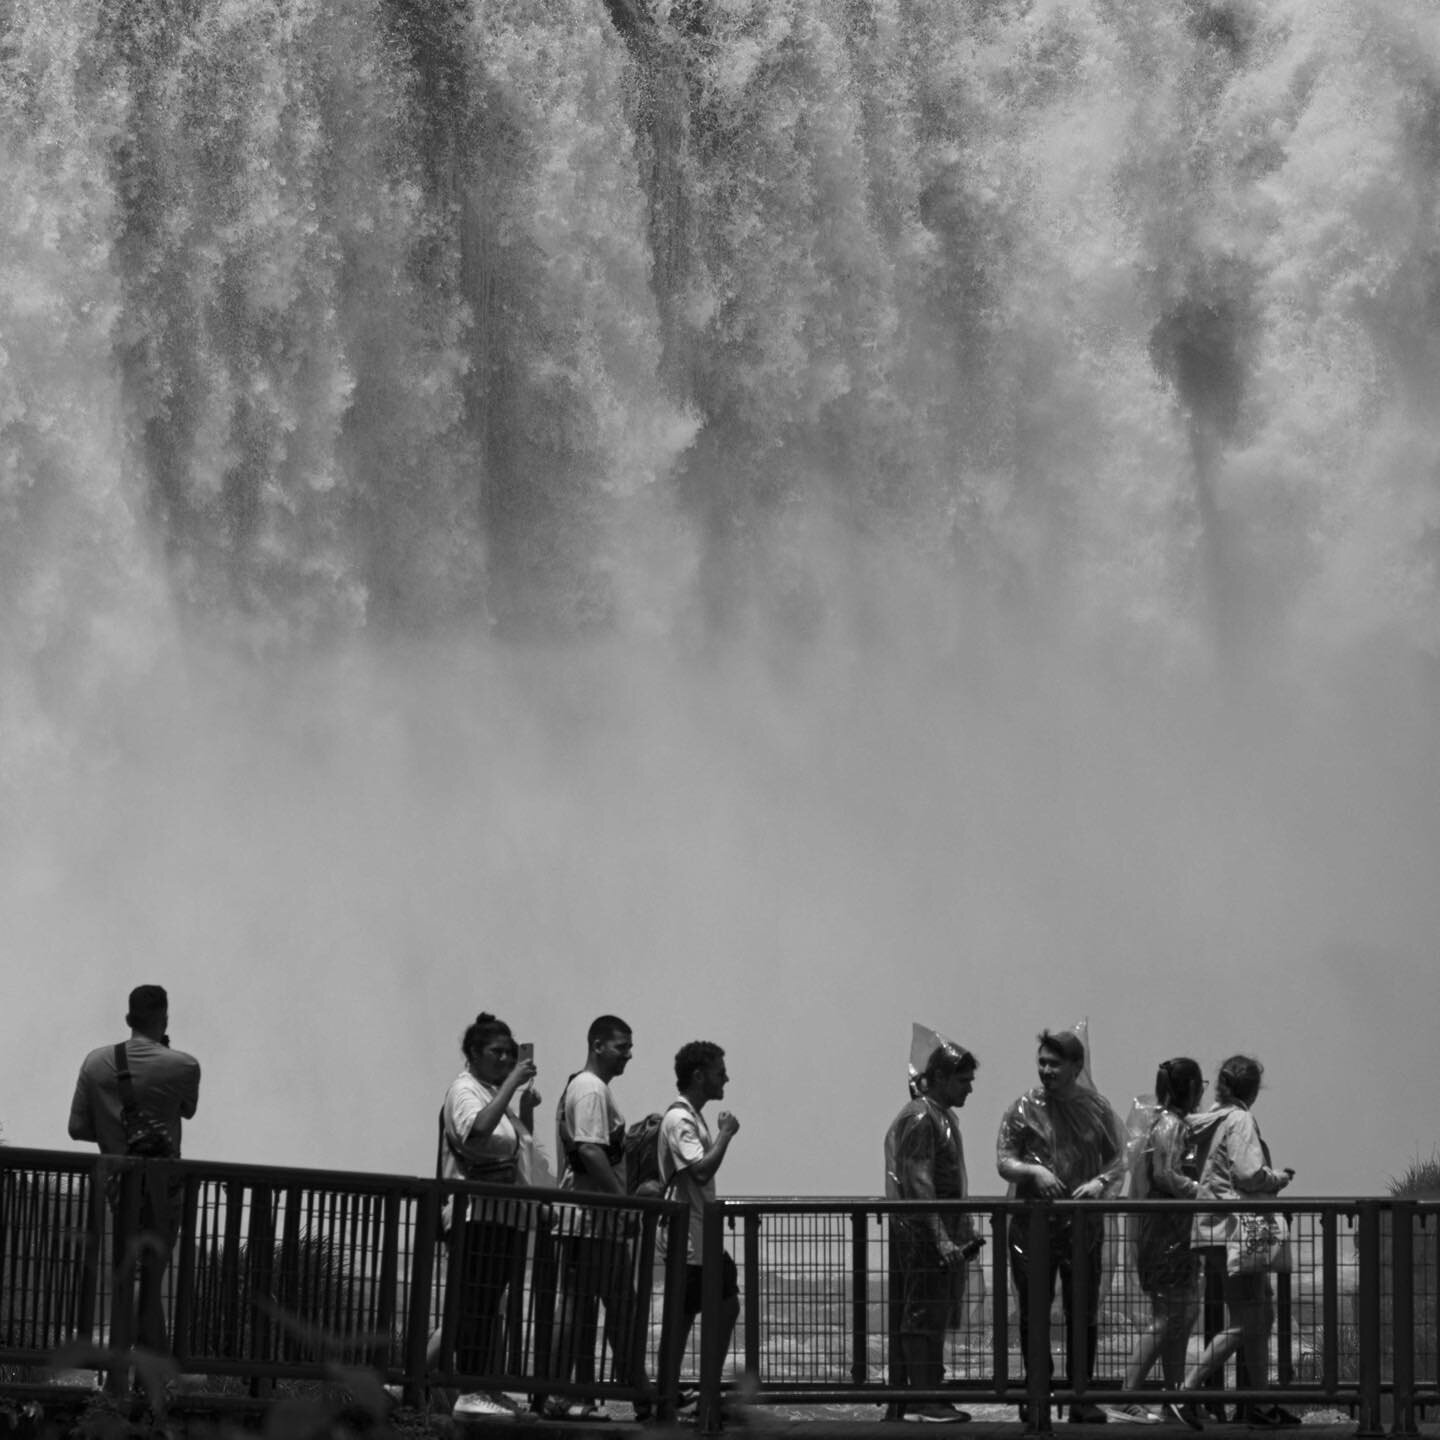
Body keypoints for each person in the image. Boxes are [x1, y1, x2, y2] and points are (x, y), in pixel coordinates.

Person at [996, 1029, 1126, 1424]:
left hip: (1081, 1226)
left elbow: (1119, 1160)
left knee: (1082, 1312)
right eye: (1042, 1062)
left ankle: (1080, 1396)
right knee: (1033, 1310)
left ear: (1075, 1067)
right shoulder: (1023, 1108)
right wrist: (1033, 1171)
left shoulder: (1097, 1108)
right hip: (1031, 1225)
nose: (1046, 1071)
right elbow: (1004, 1160)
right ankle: (1038, 1394)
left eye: (1054, 1064)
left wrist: (1100, 1182)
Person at [67, 984, 201, 1356]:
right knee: (147, 1276)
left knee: (138, 1275)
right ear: (165, 1018)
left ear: (128, 1019)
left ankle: (141, 1375)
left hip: (117, 1184)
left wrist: (114, 1134)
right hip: (165, 1189)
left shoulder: (96, 1063)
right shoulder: (184, 1066)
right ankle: (133, 1373)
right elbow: (187, 1109)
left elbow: (77, 1128)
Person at [1175, 1056, 1297, 1431]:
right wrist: (1277, 1178)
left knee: (1261, 1314)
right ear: (1254, 1091)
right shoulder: (1240, 1121)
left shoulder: (1208, 1121)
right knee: (1251, 1318)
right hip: (1233, 1231)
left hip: (1212, 1227)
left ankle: (1260, 1403)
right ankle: (1189, 1391)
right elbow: (1247, 1173)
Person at [543, 1015, 647, 1421]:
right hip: (590, 1221)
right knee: (604, 1308)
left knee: (601, 1307)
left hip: (589, 1220)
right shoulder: (589, 1090)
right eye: (622, 1046)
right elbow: (589, 1150)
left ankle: (580, 1394)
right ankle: (635, 1395)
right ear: (598, 1044)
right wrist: (624, 1203)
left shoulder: (585, 1087)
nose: (629, 1054)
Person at [437, 1012, 539, 1420]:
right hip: (475, 1216)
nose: (505, 1060)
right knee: (476, 1305)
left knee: (486, 1305)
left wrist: (521, 1106)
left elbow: (516, 1149)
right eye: (497, 1053)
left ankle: (485, 1388)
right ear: (473, 1054)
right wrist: (512, 1084)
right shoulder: (465, 1090)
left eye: (510, 1054)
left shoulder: (493, 1093)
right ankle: (470, 1389)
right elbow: (476, 1131)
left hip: (503, 1216)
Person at [884, 1042, 983, 1424]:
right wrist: (941, 1236)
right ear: (939, 1078)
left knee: (935, 1313)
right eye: (963, 1081)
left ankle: (931, 1395)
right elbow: (919, 1180)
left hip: (939, 1231)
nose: (969, 1089)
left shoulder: (940, 1116)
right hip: (925, 1233)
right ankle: (921, 1398)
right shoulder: (922, 1117)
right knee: (923, 1313)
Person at [1111, 1058, 1205, 1424]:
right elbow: (1166, 1175)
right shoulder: (1169, 1125)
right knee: (1169, 1317)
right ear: (1190, 1089)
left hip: (1169, 1231)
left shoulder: (1164, 1122)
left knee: (1178, 1315)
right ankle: (1128, 1393)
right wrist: (1203, 1192)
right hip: (1166, 1232)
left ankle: (1173, 1396)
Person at [658, 1041, 741, 1383]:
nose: (726, 1078)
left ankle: (695, 1389)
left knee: (724, 1304)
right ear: (698, 1076)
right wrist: (725, 1135)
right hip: (688, 1242)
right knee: (682, 1319)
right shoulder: (679, 1120)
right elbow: (701, 1171)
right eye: (720, 1072)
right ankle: (671, 1394)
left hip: (702, 1236)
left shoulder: (693, 1117)